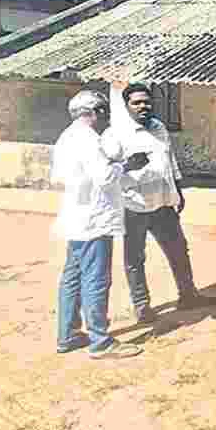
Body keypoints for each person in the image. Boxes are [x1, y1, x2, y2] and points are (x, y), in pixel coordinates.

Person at [101, 83, 216, 324]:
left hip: (163, 202)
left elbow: (170, 160)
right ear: (126, 106)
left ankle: (188, 295)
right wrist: (128, 168)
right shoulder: (114, 134)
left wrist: (178, 191)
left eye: (146, 101)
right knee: (135, 257)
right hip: (134, 205)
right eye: (136, 103)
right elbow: (106, 172)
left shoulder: (159, 127)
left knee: (178, 250)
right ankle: (142, 305)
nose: (143, 106)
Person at [51, 89, 146, 359]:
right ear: (96, 112)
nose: (106, 117)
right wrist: (126, 165)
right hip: (95, 219)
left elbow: (59, 176)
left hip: (77, 217)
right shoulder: (89, 139)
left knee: (72, 278)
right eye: (104, 111)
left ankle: (68, 335)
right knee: (96, 279)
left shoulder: (67, 136)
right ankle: (100, 342)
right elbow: (104, 177)